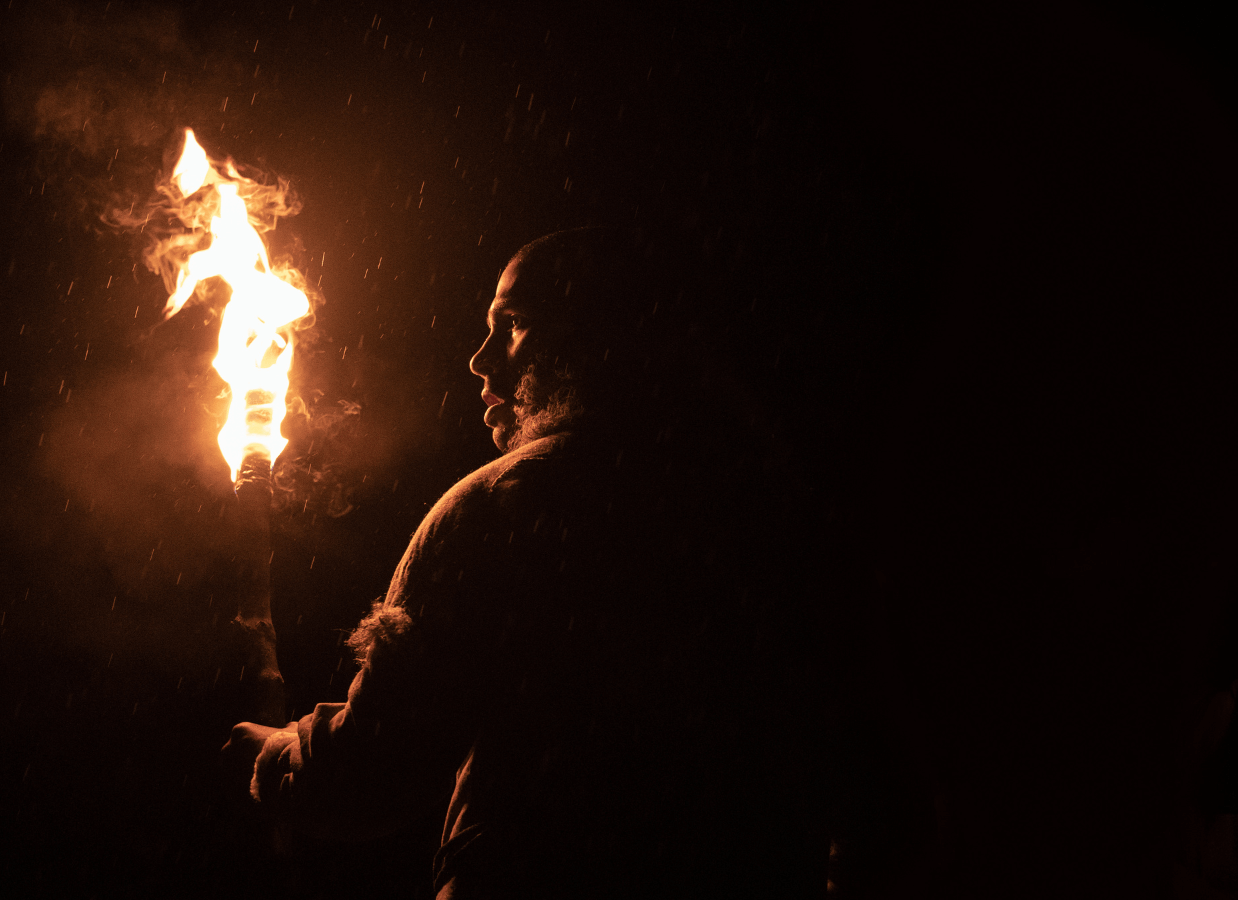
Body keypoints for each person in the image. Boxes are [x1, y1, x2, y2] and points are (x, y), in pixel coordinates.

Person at [223, 227, 824, 897]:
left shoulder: (511, 502)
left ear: (600, 338)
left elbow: (378, 767)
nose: (480, 361)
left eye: (512, 324)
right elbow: (882, 790)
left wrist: (277, 759)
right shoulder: (768, 510)